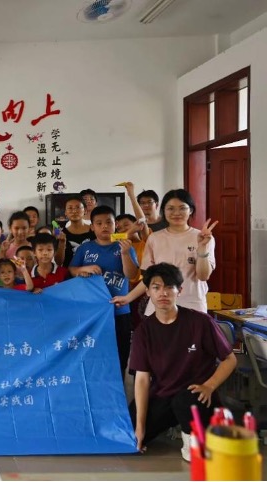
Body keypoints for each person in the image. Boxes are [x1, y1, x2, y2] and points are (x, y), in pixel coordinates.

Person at [129, 262, 236, 461]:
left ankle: (193, 442)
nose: (163, 293)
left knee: (185, 400)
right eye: (156, 287)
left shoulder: (200, 322)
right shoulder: (144, 331)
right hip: (164, 393)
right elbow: (142, 379)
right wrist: (140, 427)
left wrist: (209, 386)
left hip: (196, 394)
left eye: (169, 287)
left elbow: (230, 359)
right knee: (129, 432)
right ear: (148, 292)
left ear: (179, 290)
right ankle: (164, 425)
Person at [111, 189, 218, 316]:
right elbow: (149, 277)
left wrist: (202, 248)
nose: (176, 213)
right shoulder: (154, 238)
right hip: (158, 306)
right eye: (170, 208)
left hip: (192, 305)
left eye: (182, 208)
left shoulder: (203, 238)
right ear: (163, 211)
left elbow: (203, 276)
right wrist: (128, 298)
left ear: (191, 210)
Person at [69, 205, 138, 378]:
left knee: (120, 354)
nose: (104, 226)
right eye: (99, 223)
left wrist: (124, 253)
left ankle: (119, 389)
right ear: (92, 227)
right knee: (93, 354)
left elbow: (132, 275)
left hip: (119, 310)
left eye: (109, 222)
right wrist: (83, 269)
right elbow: (72, 270)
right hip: (91, 311)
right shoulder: (85, 248)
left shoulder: (125, 246)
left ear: (116, 225)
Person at [62, 196, 96, 268]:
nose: (74, 211)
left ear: (85, 210)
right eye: (70, 208)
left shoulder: (94, 230)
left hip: (93, 271)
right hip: (69, 273)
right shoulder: (62, 234)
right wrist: (61, 243)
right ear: (65, 212)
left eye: (78, 207)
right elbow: (59, 262)